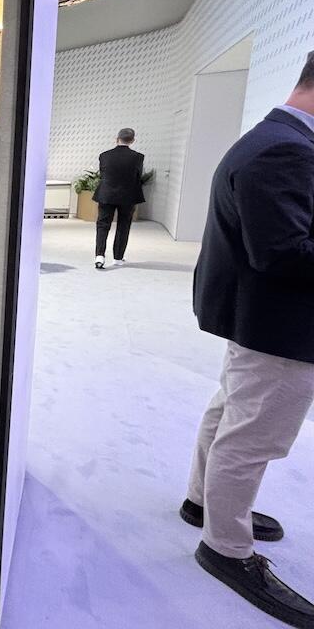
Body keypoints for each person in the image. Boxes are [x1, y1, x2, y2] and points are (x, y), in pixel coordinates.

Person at [184, 51, 314, 628]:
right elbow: (284, 253)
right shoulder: (287, 150)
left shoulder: (272, 137)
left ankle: (203, 502)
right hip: (280, 324)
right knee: (253, 435)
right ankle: (227, 548)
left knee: (233, 411)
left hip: (258, 318)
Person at [92, 128, 144, 269]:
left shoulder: (104, 155)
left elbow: (103, 174)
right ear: (132, 140)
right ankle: (118, 258)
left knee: (103, 225)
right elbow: (137, 176)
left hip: (106, 194)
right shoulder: (138, 157)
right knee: (123, 225)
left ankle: (99, 256)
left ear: (117, 139)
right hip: (128, 195)